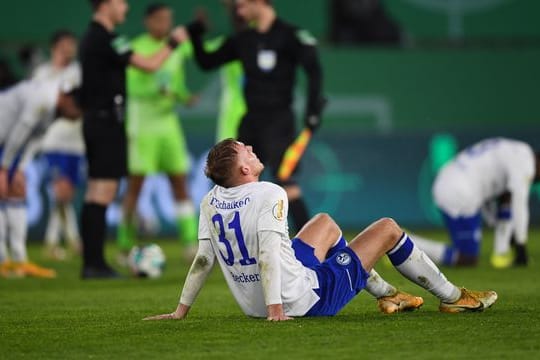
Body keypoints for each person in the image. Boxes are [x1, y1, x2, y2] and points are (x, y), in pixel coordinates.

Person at [144, 139, 497, 321]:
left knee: (324, 223)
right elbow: (267, 253)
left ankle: (388, 294)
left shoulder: (209, 200)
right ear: (243, 171)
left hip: (262, 296)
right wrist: (276, 310)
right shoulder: (270, 192)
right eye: (244, 152)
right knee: (388, 229)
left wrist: (181, 310)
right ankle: (454, 299)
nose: (251, 150)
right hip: (305, 298)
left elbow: (205, 260)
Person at [185, 0, 326, 231]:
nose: (238, 11)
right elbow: (207, 62)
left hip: (280, 120)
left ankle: (310, 244)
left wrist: (312, 111)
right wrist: (195, 34)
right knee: (238, 181)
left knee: (284, 180)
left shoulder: (290, 35)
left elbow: (314, 70)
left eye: (241, 5)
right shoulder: (244, 39)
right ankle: (238, 241)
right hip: (251, 120)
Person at [78, 0, 188, 279]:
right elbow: (149, 65)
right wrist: (174, 42)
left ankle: (93, 261)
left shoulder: (92, 38)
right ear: (106, 5)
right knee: (102, 191)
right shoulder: (106, 39)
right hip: (106, 122)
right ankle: (95, 264)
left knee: (96, 192)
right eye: (121, 2)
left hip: (98, 120)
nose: (125, 8)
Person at [117, 3, 199, 263]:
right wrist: (158, 92)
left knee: (179, 181)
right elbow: (133, 86)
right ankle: (124, 244)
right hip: (143, 122)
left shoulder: (178, 48)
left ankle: (190, 242)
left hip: (168, 123)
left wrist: (183, 96)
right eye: (160, 20)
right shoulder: (137, 47)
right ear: (148, 22)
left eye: (168, 20)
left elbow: (177, 83)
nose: (164, 25)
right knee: (135, 185)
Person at [413, 138, 540, 268]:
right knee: (467, 258)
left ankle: (401, 244)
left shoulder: (516, 149)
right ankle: (404, 244)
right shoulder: (525, 163)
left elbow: (502, 199)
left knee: (506, 197)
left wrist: (507, 237)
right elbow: (519, 204)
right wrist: (521, 247)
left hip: (449, 181)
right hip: (459, 191)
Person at [0, 78, 81, 278]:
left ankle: (19, 260)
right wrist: (4, 168)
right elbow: (21, 130)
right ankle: (2, 261)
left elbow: (34, 139)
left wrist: (19, 168)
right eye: (79, 108)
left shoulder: (54, 109)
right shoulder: (44, 100)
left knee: (17, 190)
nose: (78, 115)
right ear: (67, 99)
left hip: (8, 143)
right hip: (6, 138)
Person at [33, 30, 84, 260]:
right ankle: (62, 241)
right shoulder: (42, 73)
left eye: (71, 45)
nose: (68, 49)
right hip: (52, 140)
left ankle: (58, 242)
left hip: (76, 142)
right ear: (54, 47)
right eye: (64, 45)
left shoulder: (78, 72)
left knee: (65, 193)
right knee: (61, 191)